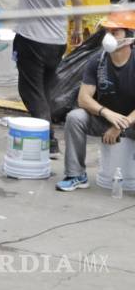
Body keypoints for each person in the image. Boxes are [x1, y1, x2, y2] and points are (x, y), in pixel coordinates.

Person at [10, 0, 83, 157]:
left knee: (30, 91)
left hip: (31, 40)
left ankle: (48, 141)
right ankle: (48, 135)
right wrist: (77, 29)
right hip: (57, 41)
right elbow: (78, 2)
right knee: (46, 88)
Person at [56, 11, 135, 191]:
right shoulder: (97, 62)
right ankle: (76, 175)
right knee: (75, 117)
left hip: (131, 121)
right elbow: (83, 99)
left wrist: (120, 125)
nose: (108, 37)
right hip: (106, 120)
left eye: (115, 33)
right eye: (107, 32)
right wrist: (106, 113)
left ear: (130, 37)